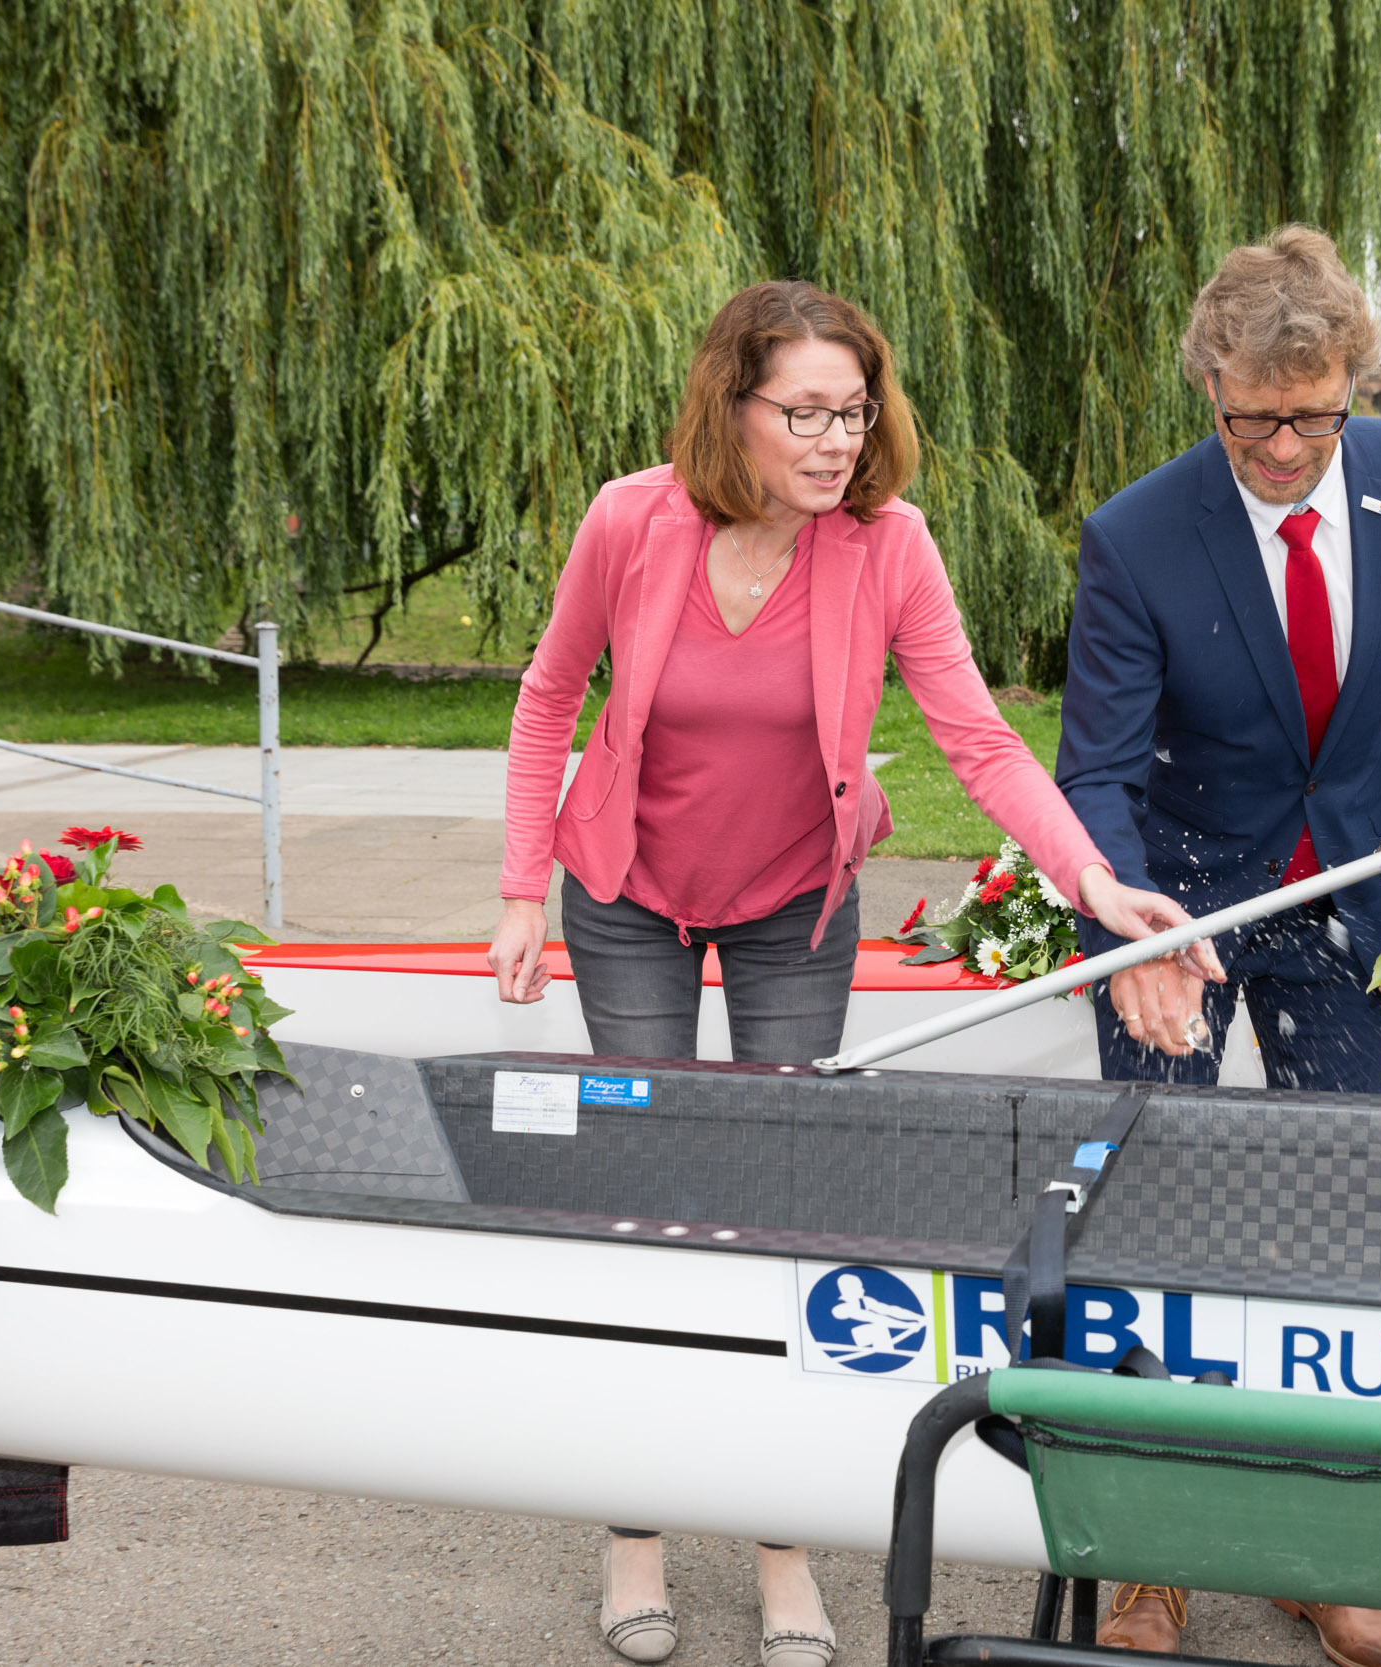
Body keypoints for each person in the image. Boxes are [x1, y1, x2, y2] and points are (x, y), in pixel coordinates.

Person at [489, 280, 1197, 1667]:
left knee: (777, 1213)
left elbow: (980, 738)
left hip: (791, 898)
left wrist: (1093, 880)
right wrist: (524, 883)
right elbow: (547, 694)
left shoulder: (889, 544)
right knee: (645, 1203)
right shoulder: (631, 519)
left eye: (853, 411)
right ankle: (635, 1527)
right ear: (729, 408)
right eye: (802, 412)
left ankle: (779, 1536)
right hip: (625, 889)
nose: (831, 440)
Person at [1055, 224, 1381, 1666]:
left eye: (1315, 416)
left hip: (1354, 895)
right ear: (1208, 387)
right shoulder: (1137, 533)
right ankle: (1156, 1548)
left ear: (1352, 386)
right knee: (1153, 1214)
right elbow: (1097, 766)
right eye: (1255, 420)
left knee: (1330, 1225)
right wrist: (1131, 922)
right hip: (1182, 904)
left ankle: (1316, 1545)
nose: (1287, 448)